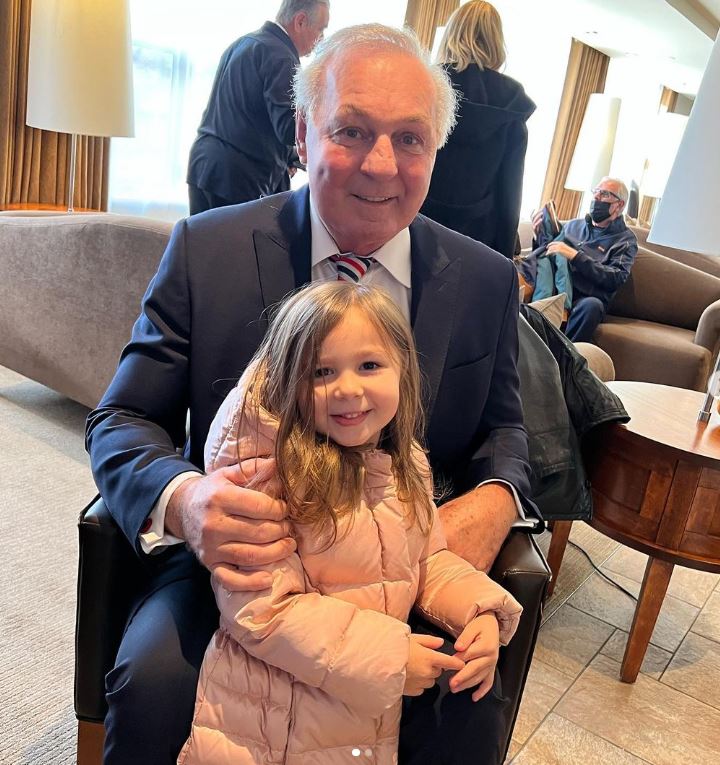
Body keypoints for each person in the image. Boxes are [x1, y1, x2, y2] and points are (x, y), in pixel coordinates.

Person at [87, 23, 537, 765]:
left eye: (410, 139)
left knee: (467, 700)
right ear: (302, 132)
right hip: (242, 571)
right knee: (154, 681)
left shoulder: (486, 279)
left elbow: (507, 431)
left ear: (436, 149)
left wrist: (497, 494)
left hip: (401, 567)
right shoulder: (208, 248)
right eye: (352, 131)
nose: (381, 164)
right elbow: (122, 417)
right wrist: (186, 502)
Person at [177, 281, 523, 764]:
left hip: (361, 703)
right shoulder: (268, 476)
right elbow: (262, 609)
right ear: (289, 382)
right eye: (321, 371)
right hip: (274, 715)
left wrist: (478, 611)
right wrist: (390, 658)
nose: (347, 388)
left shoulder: (407, 465)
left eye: (369, 366)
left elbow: (426, 560)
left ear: (402, 371)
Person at [186, 0, 330, 214]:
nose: (321, 39)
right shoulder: (282, 56)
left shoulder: (243, 43)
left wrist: (287, 158)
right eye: (321, 29)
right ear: (300, 21)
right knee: (238, 247)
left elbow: (247, 117)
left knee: (201, 245)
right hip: (237, 177)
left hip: (203, 165)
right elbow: (290, 129)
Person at [419, 1, 535, 259]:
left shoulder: (425, 87)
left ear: (451, 33)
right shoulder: (511, 107)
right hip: (477, 241)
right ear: (497, 42)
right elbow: (509, 196)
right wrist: (505, 259)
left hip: (414, 223)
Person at [521, 176, 638, 342]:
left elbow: (616, 278)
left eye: (604, 194)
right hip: (556, 288)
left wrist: (575, 256)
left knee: (592, 306)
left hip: (584, 298)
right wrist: (538, 235)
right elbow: (548, 258)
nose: (597, 198)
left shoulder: (625, 240)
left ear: (620, 205)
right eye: (595, 192)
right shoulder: (573, 225)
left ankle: (563, 358)